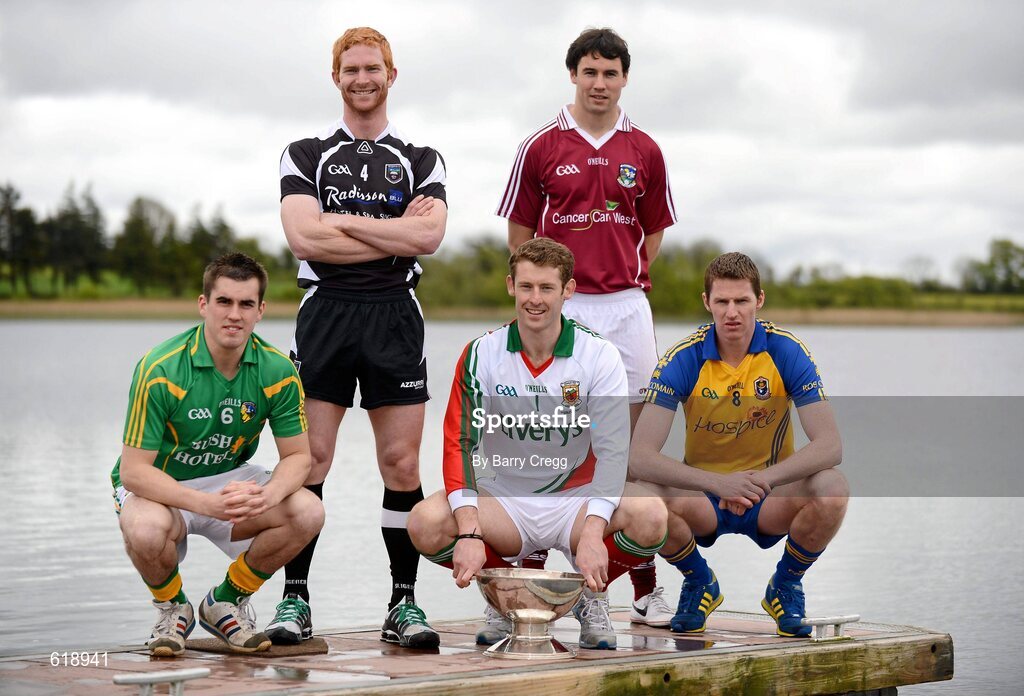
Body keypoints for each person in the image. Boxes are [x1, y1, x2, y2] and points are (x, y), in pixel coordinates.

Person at [496, 27, 678, 627]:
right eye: (590, 72)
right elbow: (521, 235)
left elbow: (651, 231)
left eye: (611, 73)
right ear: (573, 75)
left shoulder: (646, 149)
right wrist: (543, 291)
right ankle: (536, 584)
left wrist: (626, 272)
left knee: (627, 446)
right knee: (552, 437)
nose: (600, 83)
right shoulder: (541, 146)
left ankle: (641, 588)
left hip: (626, 307)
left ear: (625, 78)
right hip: (564, 304)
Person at [274, 27, 448, 648]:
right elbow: (304, 239)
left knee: (400, 462)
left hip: (395, 313)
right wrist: (389, 226)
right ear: (336, 77)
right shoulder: (304, 152)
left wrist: (339, 220)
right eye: (350, 69)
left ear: (391, 75)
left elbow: (426, 240)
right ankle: (295, 601)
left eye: (372, 68)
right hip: (325, 311)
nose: (362, 79)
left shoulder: (422, 158)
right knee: (311, 459)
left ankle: (403, 605)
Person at [407, 238, 668, 650]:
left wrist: (593, 531)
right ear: (510, 285)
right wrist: (471, 533)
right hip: (505, 501)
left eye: (547, 288)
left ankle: (590, 597)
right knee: (424, 522)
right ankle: (503, 599)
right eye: (526, 286)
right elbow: (459, 445)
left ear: (568, 290)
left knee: (650, 514)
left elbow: (615, 453)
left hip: (574, 500)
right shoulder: (480, 353)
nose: (535, 299)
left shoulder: (598, 355)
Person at [112, 253, 324, 656]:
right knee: (144, 528)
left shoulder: (277, 369)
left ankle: (224, 602)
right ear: (203, 304)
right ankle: (174, 608)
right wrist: (206, 504)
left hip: (228, 479)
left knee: (308, 511)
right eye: (224, 301)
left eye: (246, 304)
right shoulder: (160, 369)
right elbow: (133, 472)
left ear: (261, 310)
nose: (234, 315)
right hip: (161, 485)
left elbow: (299, 458)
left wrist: (270, 494)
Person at [629, 252, 848, 636]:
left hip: (770, 494)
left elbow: (830, 446)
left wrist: (762, 480)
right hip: (705, 499)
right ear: (706, 302)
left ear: (759, 301)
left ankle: (785, 585)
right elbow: (639, 457)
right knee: (636, 494)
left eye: (742, 301)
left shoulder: (786, 350)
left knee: (833, 488)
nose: (732, 312)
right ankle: (699, 583)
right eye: (722, 302)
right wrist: (717, 483)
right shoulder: (684, 357)